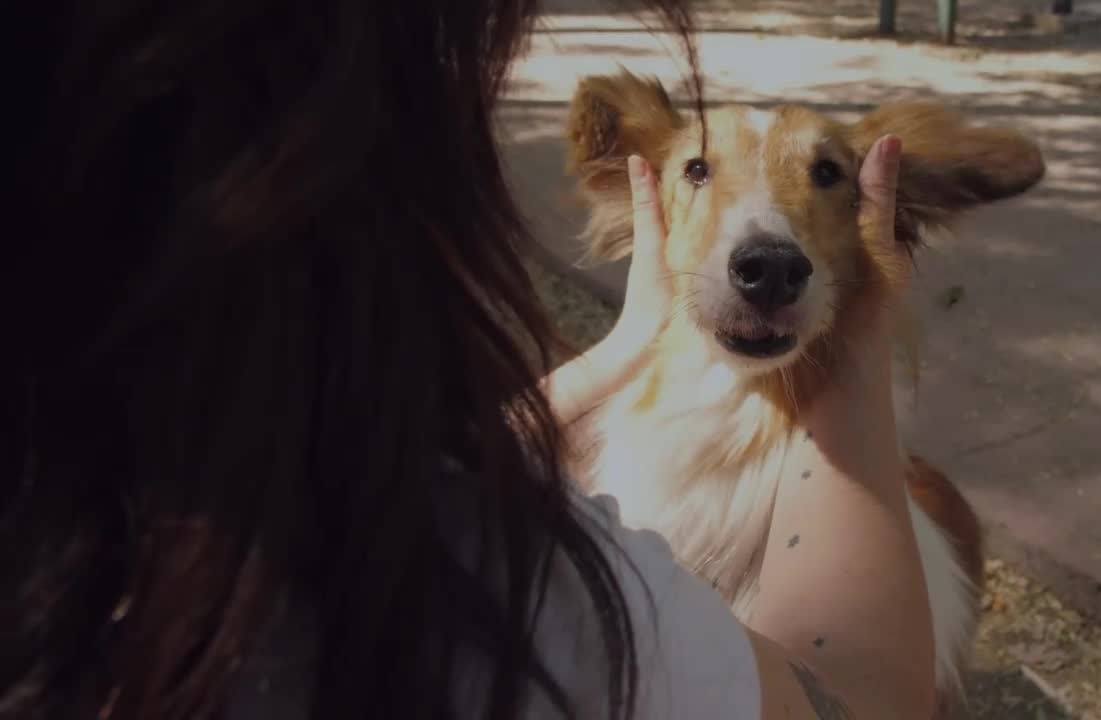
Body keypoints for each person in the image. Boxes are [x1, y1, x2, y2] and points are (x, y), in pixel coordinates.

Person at [2, 2, 933, 719]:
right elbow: (854, 700)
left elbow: (427, 464)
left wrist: (621, 346)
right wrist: (858, 326)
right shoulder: (519, 612)